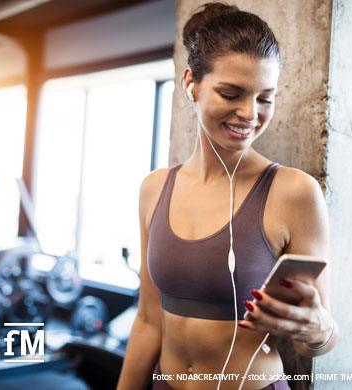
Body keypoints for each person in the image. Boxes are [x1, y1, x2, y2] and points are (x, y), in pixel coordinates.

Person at [117, 4, 337, 389]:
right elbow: (149, 320)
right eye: (231, 93)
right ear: (192, 83)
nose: (250, 114)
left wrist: (318, 330)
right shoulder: (154, 189)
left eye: (265, 98)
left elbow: (319, 337)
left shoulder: (294, 193)